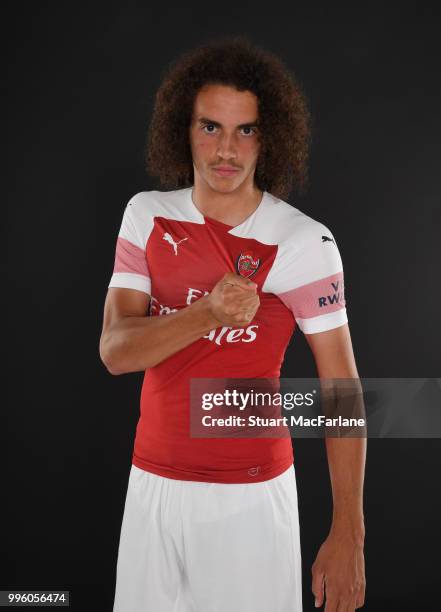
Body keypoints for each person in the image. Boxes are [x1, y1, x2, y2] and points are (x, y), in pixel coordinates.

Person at [100, 35, 366, 612]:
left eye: (245, 130)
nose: (227, 149)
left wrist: (350, 532)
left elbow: (342, 391)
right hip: (151, 489)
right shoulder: (147, 215)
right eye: (210, 127)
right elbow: (117, 351)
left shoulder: (302, 241)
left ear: (268, 136)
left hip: (248, 499)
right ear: (183, 129)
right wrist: (207, 315)